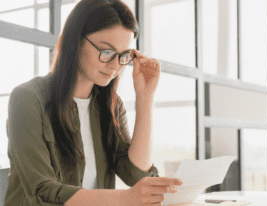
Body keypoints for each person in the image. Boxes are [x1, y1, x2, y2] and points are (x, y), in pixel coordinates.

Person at [4, 0, 184, 205]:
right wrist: (125, 198)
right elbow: (42, 191)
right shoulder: (27, 99)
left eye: (123, 55)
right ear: (74, 42)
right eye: (106, 52)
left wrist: (145, 97)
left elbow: (136, 175)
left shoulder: (112, 106)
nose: (115, 66)